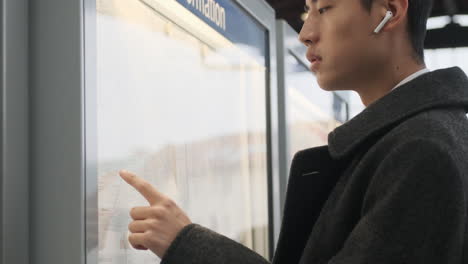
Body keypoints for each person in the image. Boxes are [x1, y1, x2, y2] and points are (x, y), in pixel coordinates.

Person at [119, 0, 468, 263]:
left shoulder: (421, 150)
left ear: (389, 11)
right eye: (307, 10)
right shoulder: (425, 137)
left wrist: (186, 242)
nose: (305, 33)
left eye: (325, 9)